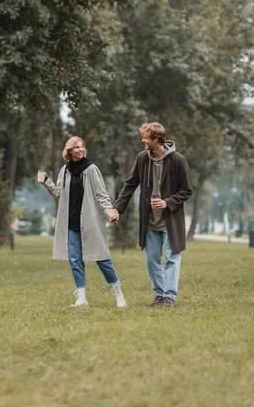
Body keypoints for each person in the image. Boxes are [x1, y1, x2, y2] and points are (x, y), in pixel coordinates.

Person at [107, 122, 193, 308]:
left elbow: (187, 190)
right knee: (152, 259)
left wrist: (167, 202)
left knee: (172, 258)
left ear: (156, 139)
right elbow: (130, 185)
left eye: (145, 137)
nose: (143, 140)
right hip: (150, 221)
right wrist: (116, 208)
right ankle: (160, 294)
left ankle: (170, 296)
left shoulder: (178, 160)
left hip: (171, 220)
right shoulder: (142, 159)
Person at [38, 136, 126, 309]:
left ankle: (119, 294)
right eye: (77, 147)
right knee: (75, 260)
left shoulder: (91, 169)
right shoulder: (65, 170)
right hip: (70, 223)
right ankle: (82, 298)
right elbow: (58, 192)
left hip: (89, 221)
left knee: (102, 258)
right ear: (69, 151)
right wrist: (46, 181)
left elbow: (102, 195)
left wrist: (109, 211)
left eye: (82, 147)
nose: (81, 150)